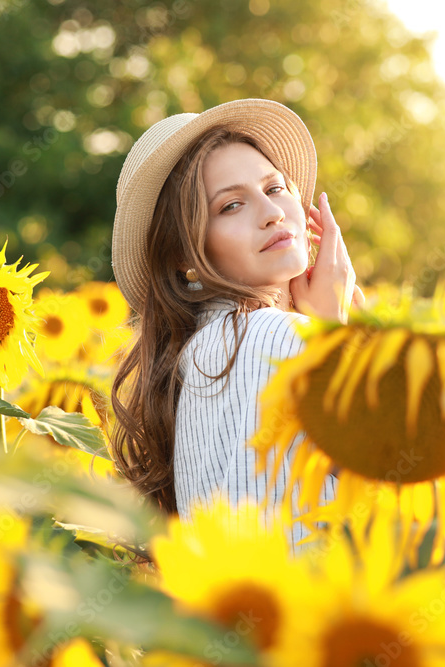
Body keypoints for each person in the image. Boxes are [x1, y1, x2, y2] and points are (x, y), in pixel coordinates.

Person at [108, 98, 363, 552]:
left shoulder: (202, 352)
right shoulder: (278, 339)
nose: (272, 212)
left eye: (275, 188)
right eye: (230, 206)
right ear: (184, 254)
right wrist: (334, 332)